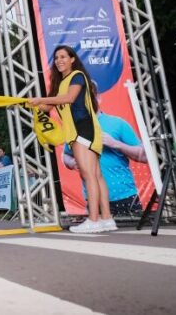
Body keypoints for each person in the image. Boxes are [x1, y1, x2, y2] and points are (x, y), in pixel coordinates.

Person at [29, 45, 115, 233]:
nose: (59, 60)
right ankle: (107, 219)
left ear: (72, 59)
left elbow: (69, 98)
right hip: (81, 131)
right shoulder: (60, 83)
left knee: (89, 175)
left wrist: (41, 98)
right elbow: (47, 107)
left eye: (63, 57)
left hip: (82, 130)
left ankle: (93, 220)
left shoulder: (77, 76)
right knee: (96, 175)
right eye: (56, 57)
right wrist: (28, 103)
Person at [63, 110, 147, 216]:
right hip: (94, 200)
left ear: (98, 98)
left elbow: (144, 156)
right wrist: (71, 162)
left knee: (130, 232)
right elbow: (66, 155)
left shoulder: (118, 123)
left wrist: (115, 144)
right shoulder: (75, 127)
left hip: (124, 199)